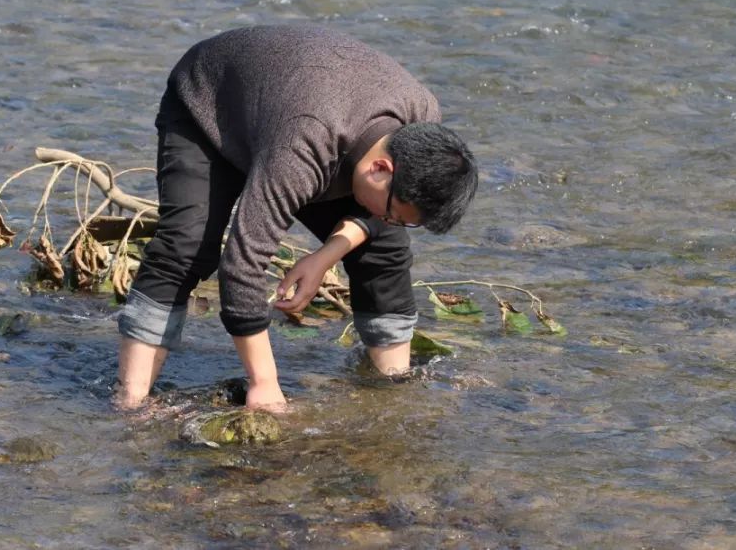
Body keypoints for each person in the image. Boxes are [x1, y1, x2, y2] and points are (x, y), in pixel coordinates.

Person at [114, 25, 477, 411]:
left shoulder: (422, 120)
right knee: (186, 247)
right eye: (394, 213)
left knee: (383, 250)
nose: (391, 220)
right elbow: (242, 265)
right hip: (210, 106)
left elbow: (380, 221)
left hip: (293, 114)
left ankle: (391, 390)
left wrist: (325, 257)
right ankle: (131, 404)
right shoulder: (306, 146)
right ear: (382, 168)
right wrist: (265, 383)